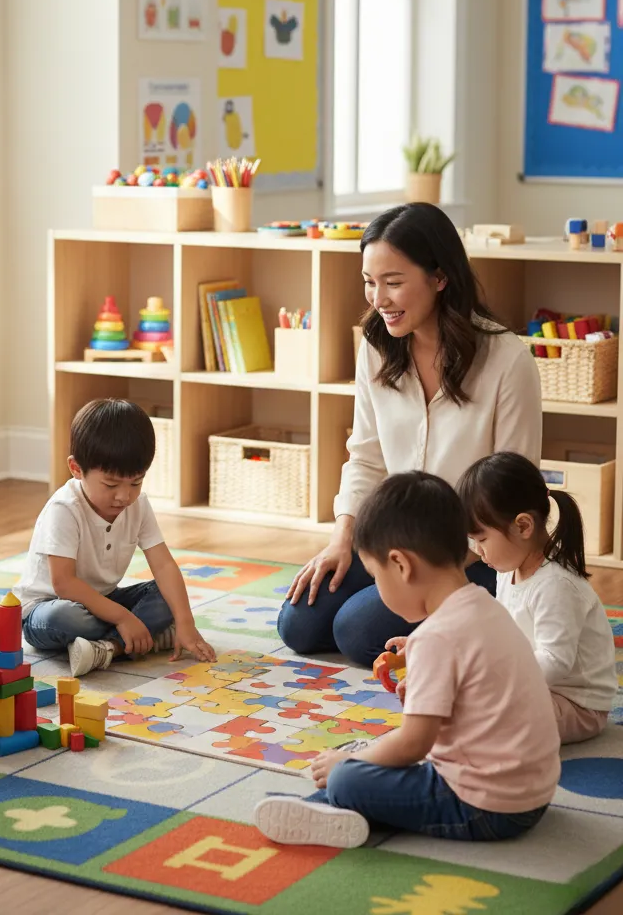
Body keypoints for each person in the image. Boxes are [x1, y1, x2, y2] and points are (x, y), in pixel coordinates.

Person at [278, 203, 543, 666]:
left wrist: (439, 569)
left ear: (440, 278)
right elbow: (365, 458)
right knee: (298, 624)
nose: (379, 299)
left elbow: (514, 487)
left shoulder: (506, 359)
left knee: (356, 630)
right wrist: (343, 539)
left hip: (475, 557)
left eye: (394, 282)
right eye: (369, 282)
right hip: (395, 543)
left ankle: (478, 623)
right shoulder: (376, 347)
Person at [254, 472, 560, 848]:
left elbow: (415, 743)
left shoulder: (438, 637)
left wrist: (351, 765)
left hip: (487, 807)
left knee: (348, 777)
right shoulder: (484, 605)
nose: (378, 590)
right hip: (533, 793)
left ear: (400, 565)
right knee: (373, 761)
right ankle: (329, 802)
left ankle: (329, 804)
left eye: (375, 577)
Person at [17, 398, 216, 676]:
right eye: (111, 484)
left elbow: (164, 565)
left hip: (102, 602)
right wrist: (123, 617)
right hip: (46, 610)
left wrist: (186, 622)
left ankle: (110, 648)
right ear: (76, 469)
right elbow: (64, 584)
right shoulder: (64, 508)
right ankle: (143, 635)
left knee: (166, 597)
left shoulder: (138, 505)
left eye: (136, 482)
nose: (124, 496)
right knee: (64, 618)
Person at [459, 452, 616, 743]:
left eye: (482, 540)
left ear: (523, 526)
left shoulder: (556, 585)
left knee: (488, 716)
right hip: (535, 685)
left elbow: (555, 661)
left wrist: (500, 685)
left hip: (577, 705)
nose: (478, 552)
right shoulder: (508, 569)